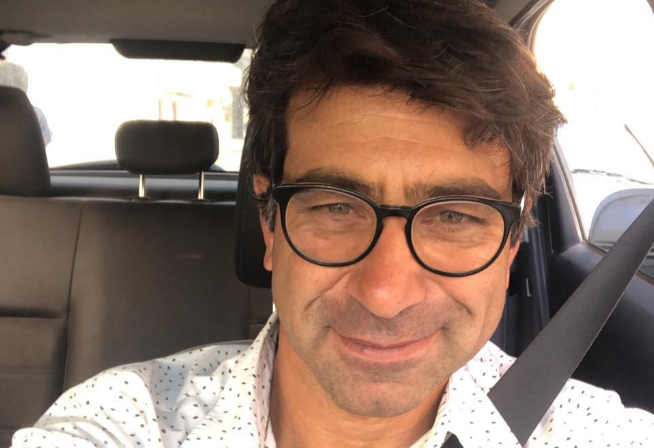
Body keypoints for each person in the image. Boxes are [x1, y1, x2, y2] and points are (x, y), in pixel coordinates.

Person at [11, 0, 654, 447]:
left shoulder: (592, 433)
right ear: (269, 226)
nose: (386, 293)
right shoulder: (125, 422)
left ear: (512, 245)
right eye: (335, 208)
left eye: (455, 216)